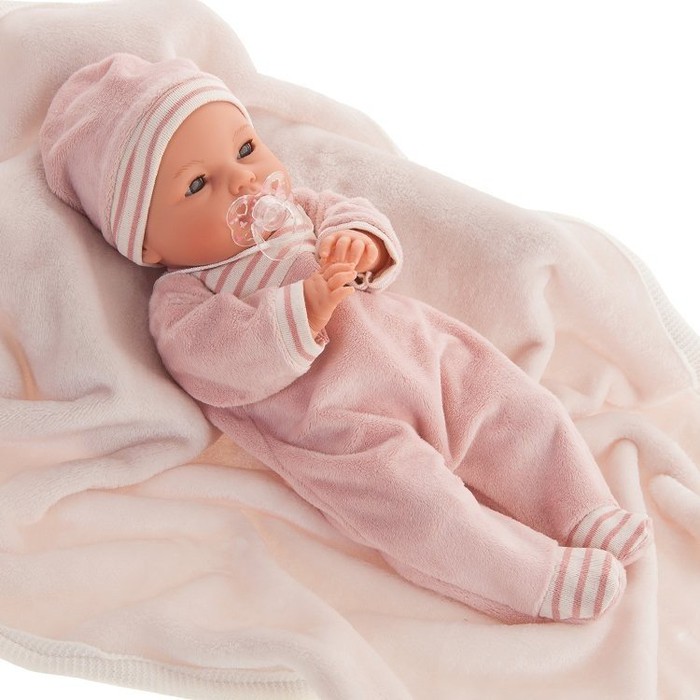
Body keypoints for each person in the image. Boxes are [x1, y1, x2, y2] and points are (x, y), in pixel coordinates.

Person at [40, 53, 652, 624]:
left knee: (518, 408)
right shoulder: (183, 299)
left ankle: (581, 508)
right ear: (147, 246)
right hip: (340, 427)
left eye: (246, 148)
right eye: (199, 184)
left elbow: (360, 220)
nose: (244, 181)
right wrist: (306, 306)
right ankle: (533, 578)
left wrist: (362, 245)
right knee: (419, 511)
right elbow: (213, 367)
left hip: (425, 355)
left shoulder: (305, 209)